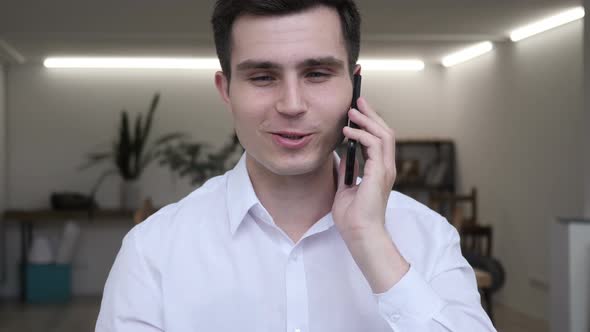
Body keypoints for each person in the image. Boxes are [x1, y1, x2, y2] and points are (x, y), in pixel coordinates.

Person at [95, 0, 496, 331]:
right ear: (226, 90)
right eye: (263, 76)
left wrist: (370, 240)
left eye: (317, 73)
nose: (291, 105)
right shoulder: (152, 252)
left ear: (353, 86)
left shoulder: (425, 236)